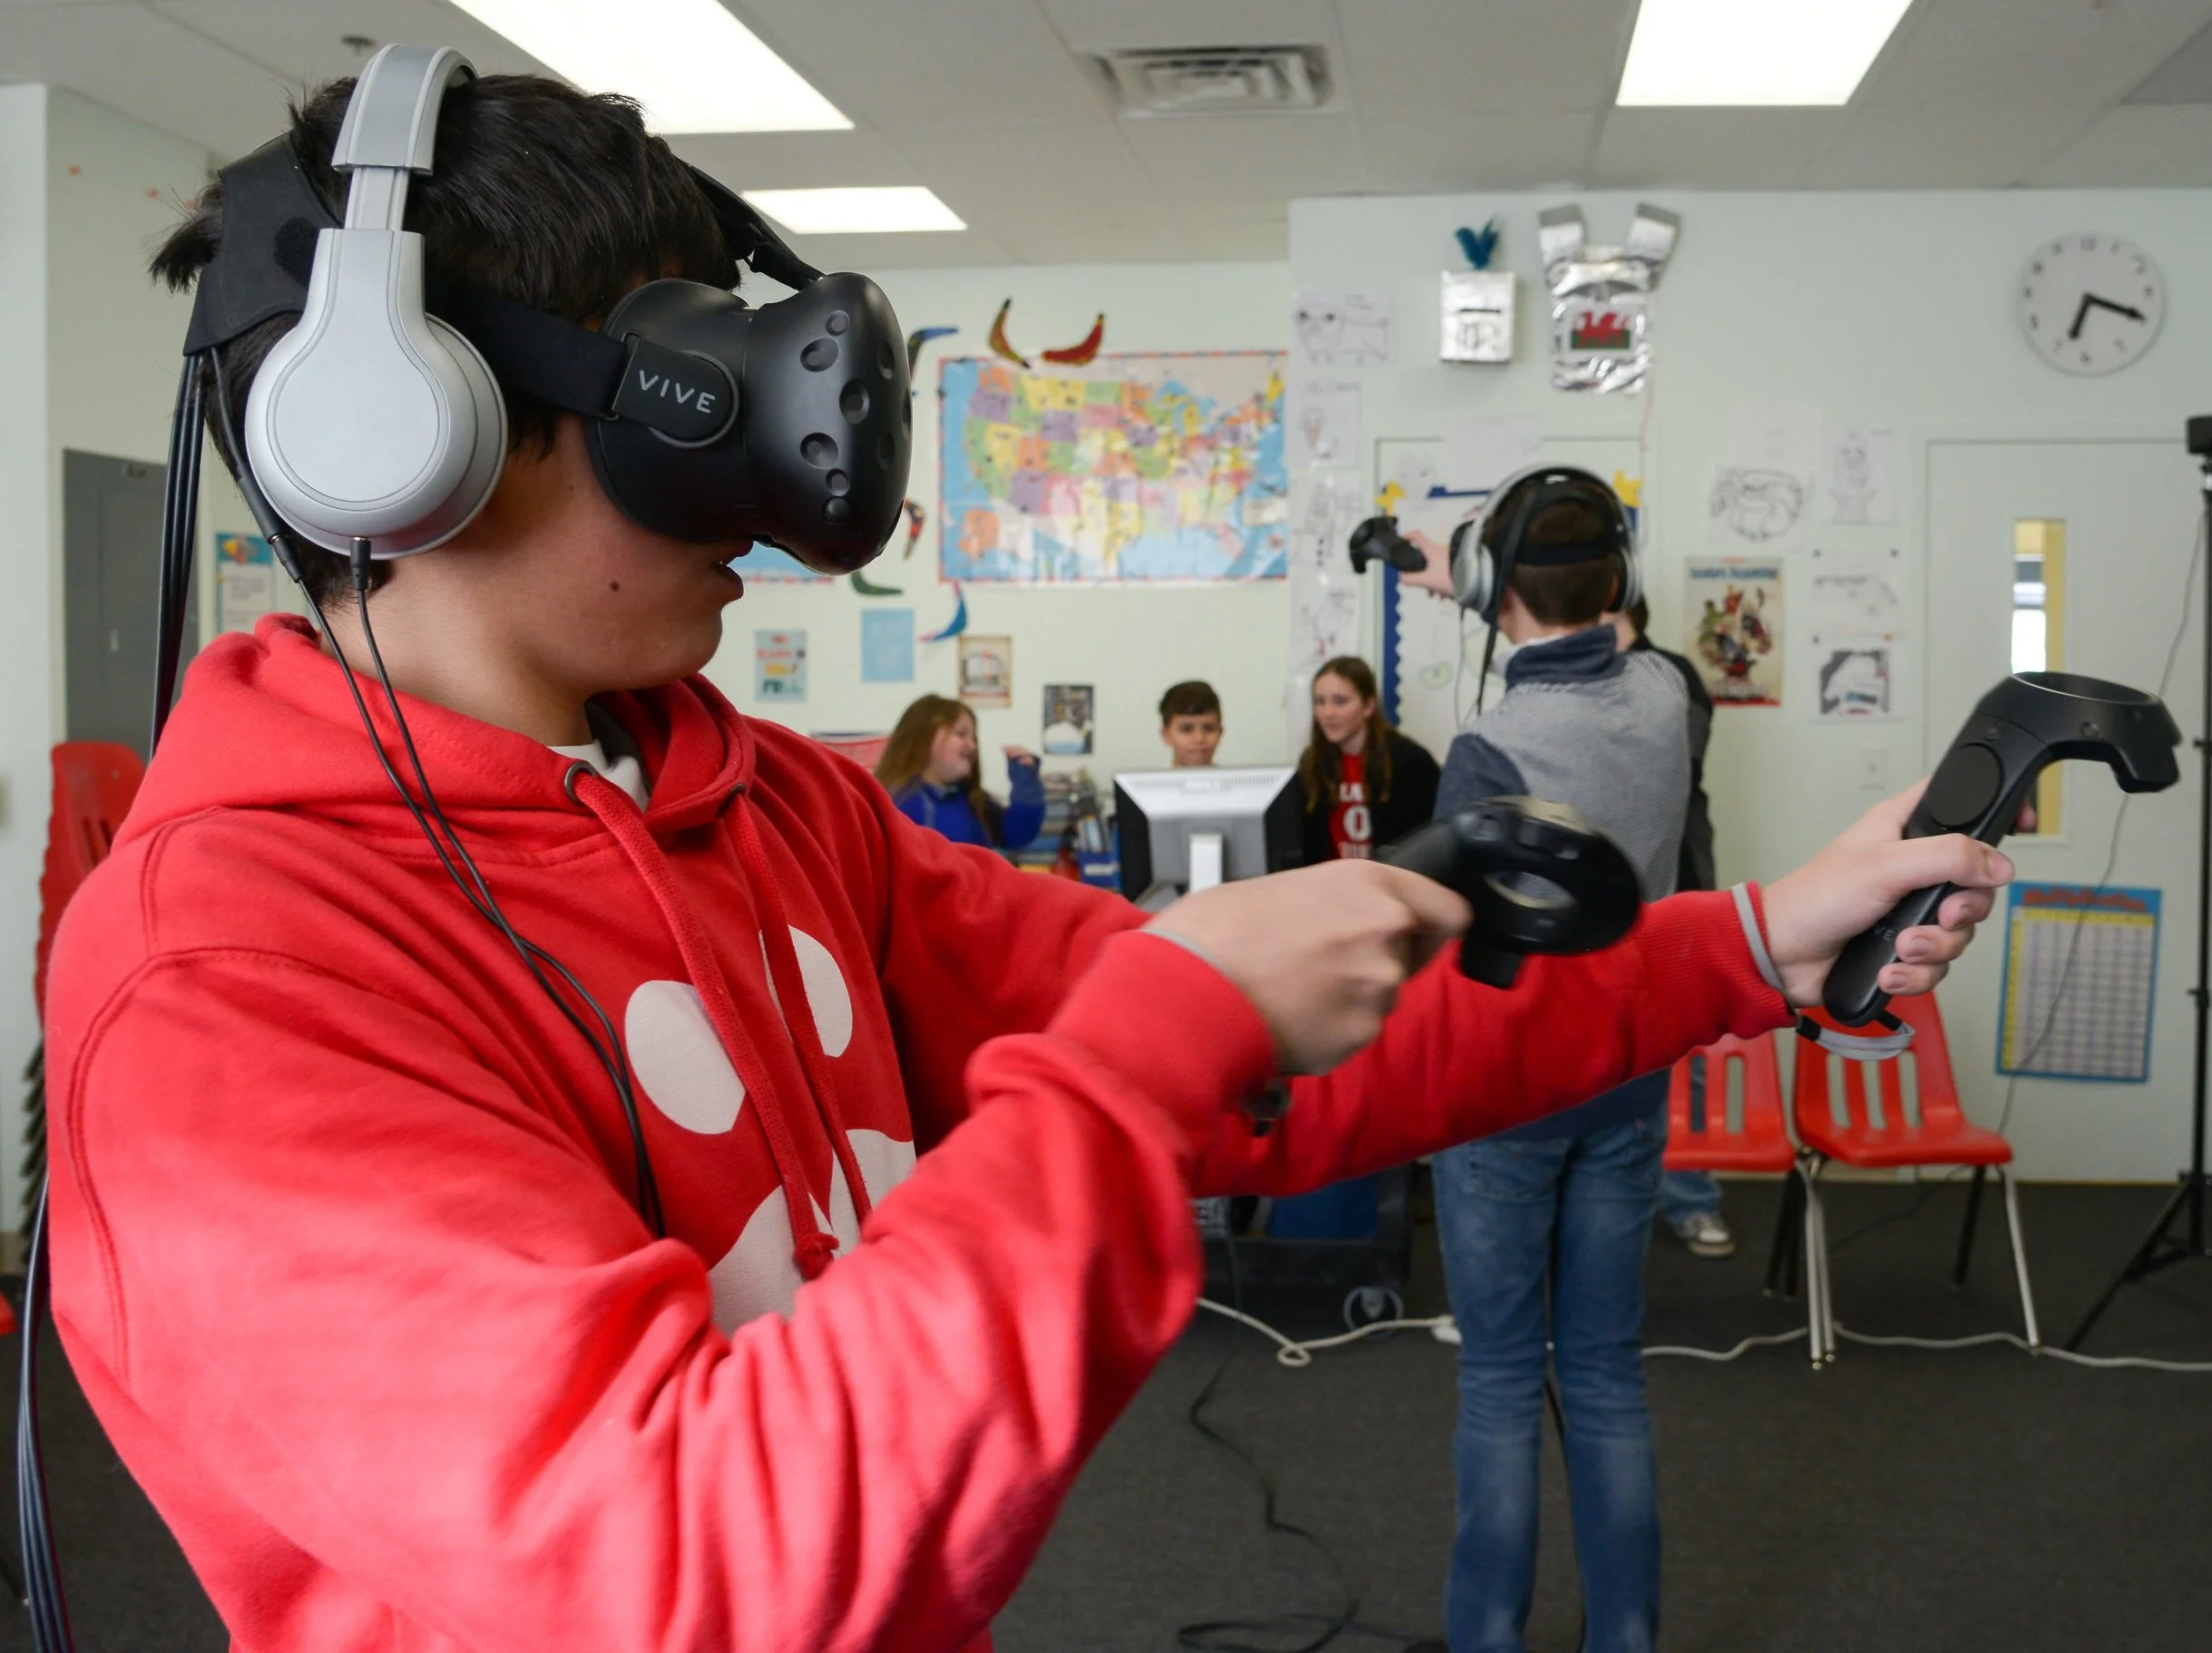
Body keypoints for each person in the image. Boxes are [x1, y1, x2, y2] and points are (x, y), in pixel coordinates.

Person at [42, 64, 2008, 1653]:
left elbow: (1278, 1054)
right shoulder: (223, 975)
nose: (761, 473)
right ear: (403, 434)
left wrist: (1754, 935)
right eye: (685, 396)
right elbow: (682, 1570)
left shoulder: (772, 804)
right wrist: (1155, 1032)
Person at [1419, 472, 1691, 1653]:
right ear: (1621, 581)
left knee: (1497, 1382)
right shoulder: (1671, 695)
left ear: (1494, 592)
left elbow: (1447, 949)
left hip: (1504, 1106)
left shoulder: (1488, 747)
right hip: (1631, 1085)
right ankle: (1624, 1638)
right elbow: (1607, 637)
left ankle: (1489, 1639)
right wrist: (1492, 586)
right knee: (1606, 1378)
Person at [1618, 598, 1736, 1260]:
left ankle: (1690, 1201)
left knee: (1683, 1057)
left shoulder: (1670, 675)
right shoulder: (1579, 680)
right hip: (1601, 905)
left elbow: (1666, 766)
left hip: (1677, 892)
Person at [1299, 654, 1441, 863]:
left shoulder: (1410, 761)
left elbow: (1430, 842)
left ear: (1368, 706)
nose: (1327, 713)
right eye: (1320, 702)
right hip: (1330, 884)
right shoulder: (1312, 763)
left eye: (1340, 701)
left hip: (1389, 883)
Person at [876, 692, 1044, 854]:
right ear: (923, 739)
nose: (972, 746)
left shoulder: (971, 800)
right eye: (961, 734)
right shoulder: (899, 804)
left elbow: (1017, 834)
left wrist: (1026, 781)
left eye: (973, 738)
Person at [1159, 679, 1223, 768]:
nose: (1199, 738)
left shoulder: (1239, 781)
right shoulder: (1146, 781)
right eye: (1186, 729)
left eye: (1209, 729)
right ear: (1166, 735)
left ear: (1220, 733)